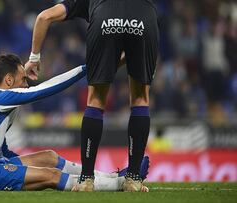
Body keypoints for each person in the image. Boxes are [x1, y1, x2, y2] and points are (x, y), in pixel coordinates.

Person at [0, 54, 150, 191]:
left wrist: (20, 168)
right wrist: (89, 68)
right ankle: (121, 182)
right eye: (23, 79)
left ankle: (113, 176)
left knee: (48, 157)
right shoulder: (1, 99)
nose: (27, 84)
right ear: (9, 80)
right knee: (52, 176)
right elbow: (47, 88)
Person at [25, 0, 159, 192]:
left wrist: (34, 58)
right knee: (140, 98)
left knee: (95, 100)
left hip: (105, 22)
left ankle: (86, 179)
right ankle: (134, 179)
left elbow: (43, 17)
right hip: (144, 18)